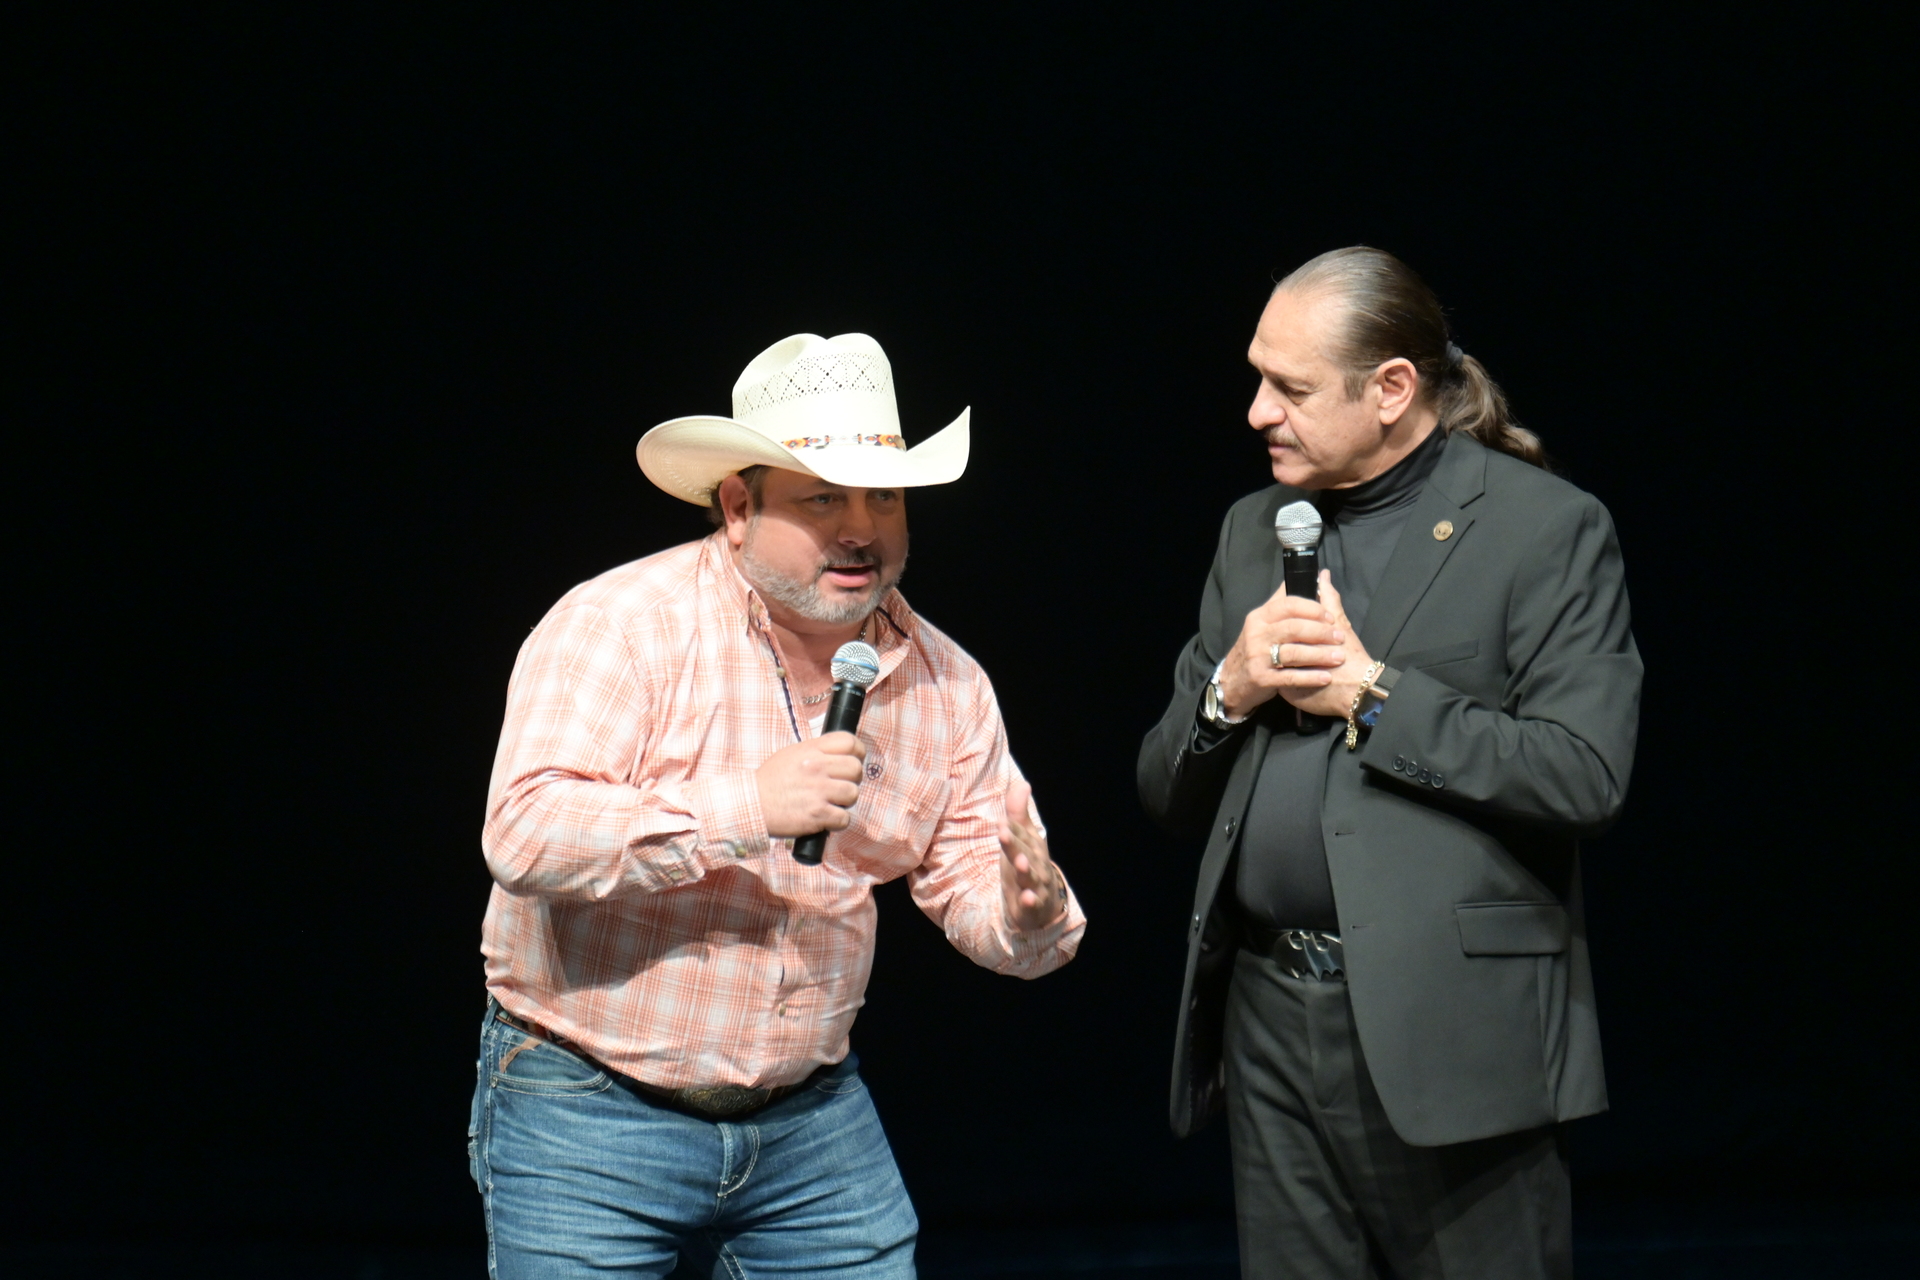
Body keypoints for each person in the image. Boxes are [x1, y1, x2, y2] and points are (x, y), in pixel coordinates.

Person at [471, 332, 1086, 1278]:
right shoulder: (621, 626)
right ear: (737, 507)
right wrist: (748, 807)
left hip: (809, 1116)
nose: (861, 530)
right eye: (823, 498)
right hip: (588, 1101)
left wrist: (1023, 914)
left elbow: (978, 883)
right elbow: (525, 834)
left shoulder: (947, 683)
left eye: (884, 497)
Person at [1137, 247, 1641, 1279]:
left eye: (1291, 388)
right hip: (1271, 1019)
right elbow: (1162, 787)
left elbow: (1585, 771)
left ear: (1393, 389)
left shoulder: (1544, 529)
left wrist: (1373, 694)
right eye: (1257, 378)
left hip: (1453, 1033)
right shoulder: (1252, 532)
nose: (1257, 412)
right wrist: (1231, 686)